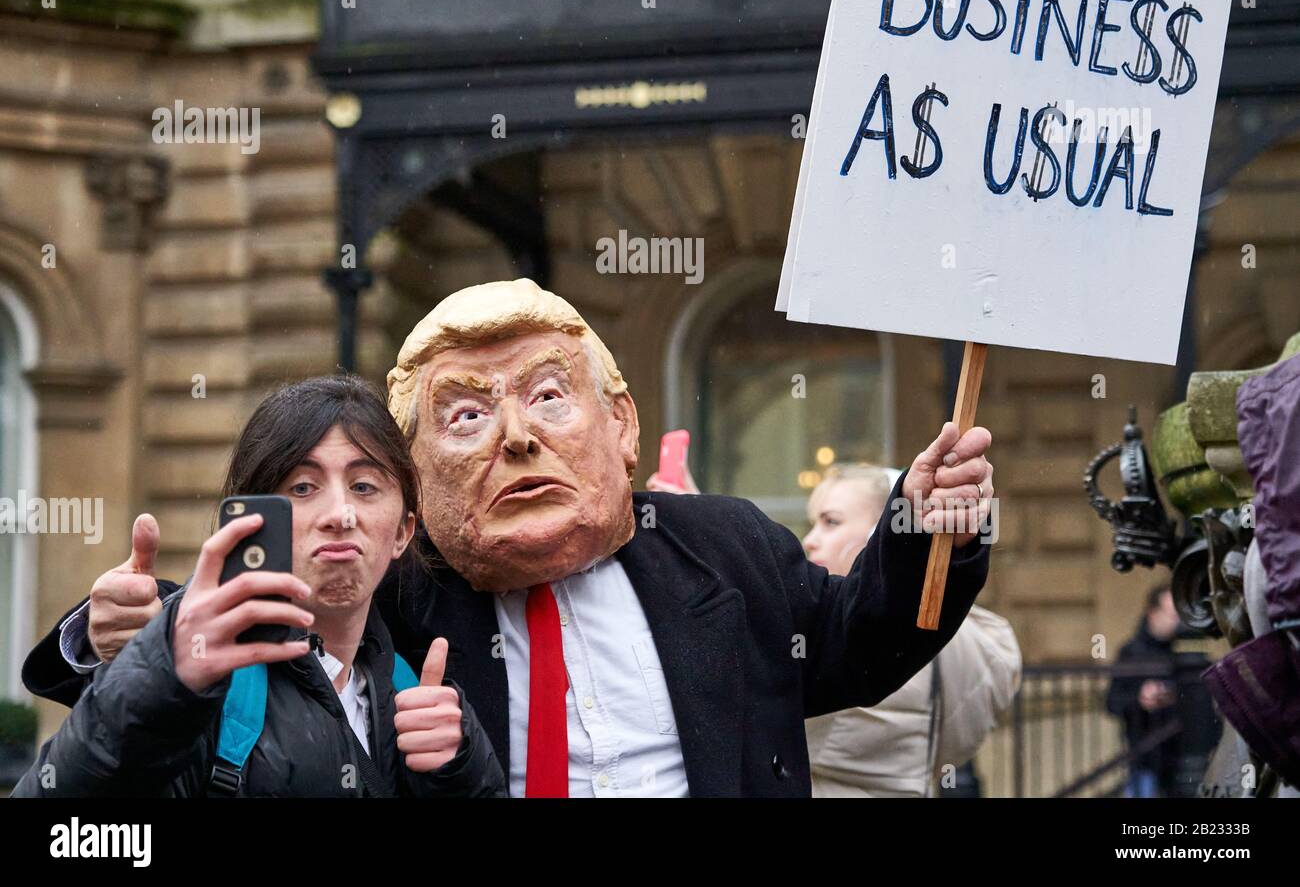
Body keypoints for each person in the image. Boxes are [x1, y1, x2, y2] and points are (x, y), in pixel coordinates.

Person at [26, 279, 996, 797]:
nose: (517, 436)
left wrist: (921, 520)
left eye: (546, 395)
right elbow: (259, 618)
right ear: (419, 494)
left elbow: (864, 641)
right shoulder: (402, 585)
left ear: (620, 424)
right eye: (464, 417)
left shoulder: (726, 549)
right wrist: (121, 627)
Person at [13, 376, 503, 797]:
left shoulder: (415, 695)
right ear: (251, 522)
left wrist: (459, 769)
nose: (340, 514)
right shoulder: (200, 676)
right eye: (302, 488)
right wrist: (155, 674)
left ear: (401, 531)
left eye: (364, 486)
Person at [802, 464, 1020, 796]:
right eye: (813, 523)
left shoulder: (859, 642)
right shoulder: (961, 638)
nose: (810, 541)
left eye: (831, 522)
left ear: (883, 534)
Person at [1105, 584, 1184, 798]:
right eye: (1171, 614)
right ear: (1153, 613)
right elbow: (1112, 702)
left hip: (1181, 758)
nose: (1176, 621)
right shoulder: (1131, 652)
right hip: (1145, 757)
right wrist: (1141, 700)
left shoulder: (1185, 650)